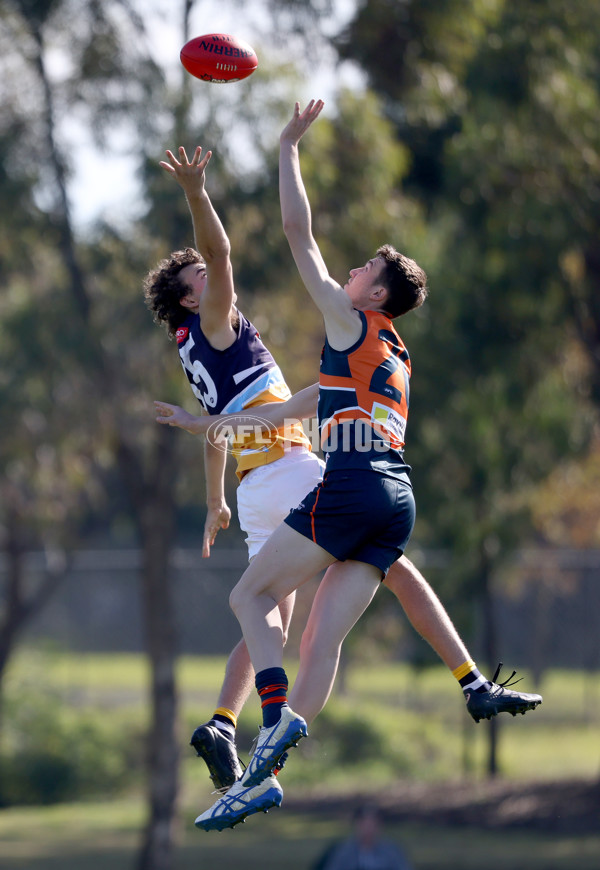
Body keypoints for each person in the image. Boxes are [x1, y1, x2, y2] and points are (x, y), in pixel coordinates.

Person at [190, 100, 542, 832]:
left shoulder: (351, 322)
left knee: (250, 600)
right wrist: (211, 425)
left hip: (353, 486)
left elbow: (298, 234)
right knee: (322, 639)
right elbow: (297, 409)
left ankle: (275, 714)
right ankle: (267, 774)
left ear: (375, 294)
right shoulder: (396, 353)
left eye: (364, 269)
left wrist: (288, 147)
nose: (349, 270)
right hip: (397, 498)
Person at [312, 803, 414, 870]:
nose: (368, 828)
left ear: (380, 825)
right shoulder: (342, 851)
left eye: (373, 823)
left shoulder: (392, 851)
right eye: (364, 823)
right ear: (357, 824)